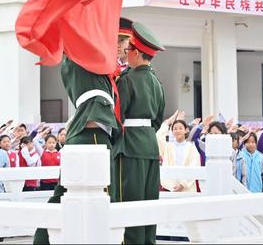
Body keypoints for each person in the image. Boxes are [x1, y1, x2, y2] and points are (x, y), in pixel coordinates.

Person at [33, 57, 119, 245]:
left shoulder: (85, 62)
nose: (119, 46)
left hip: (89, 134)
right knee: (101, 195)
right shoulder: (79, 60)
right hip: (91, 135)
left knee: (65, 193)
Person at [113, 22, 165, 245]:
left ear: (135, 52)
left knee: (130, 204)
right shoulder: (157, 82)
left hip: (130, 145)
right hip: (150, 145)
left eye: (127, 50)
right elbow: (158, 120)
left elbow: (117, 117)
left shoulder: (126, 79)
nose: (126, 55)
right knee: (149, 203)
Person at [157, 112, 200, 192]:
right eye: (175, 129)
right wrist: (168, 122)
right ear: (172, 131)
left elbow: (194, 165)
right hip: (171, 187)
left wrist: (183, 184)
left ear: (186, 130)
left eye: (180, 128)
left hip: (187, 188)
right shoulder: (168, 147)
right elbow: (159, 137)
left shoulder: (191, 147)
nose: (178, 131)